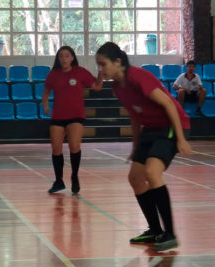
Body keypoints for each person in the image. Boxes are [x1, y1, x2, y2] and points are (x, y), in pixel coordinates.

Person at [96, 42, 192, 251]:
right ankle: (155, 230)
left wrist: (181, 138)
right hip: (150, 128)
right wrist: (135, 146)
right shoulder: (117, 88)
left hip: (170, 125)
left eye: (103, 64)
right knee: (135, 178)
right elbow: (134, 115)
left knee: (152, 172)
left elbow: (168, 104)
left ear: (118, 62)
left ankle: (170, 233)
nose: (100, 70)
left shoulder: (138, 76)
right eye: (98, 65)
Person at [42, 46, 103, 194]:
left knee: (74, 147)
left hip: (76, 116)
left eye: (67, 56)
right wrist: (45, 104)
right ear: (58, 58)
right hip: (57, 116)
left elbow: (97, 87)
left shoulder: (80, 72)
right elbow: (46, 91)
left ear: (72, 58)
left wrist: (101, 72)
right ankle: (59, 181)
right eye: (61, 56)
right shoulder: (53, 74)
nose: (64, 59)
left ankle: (74, 176)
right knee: (56, 149)